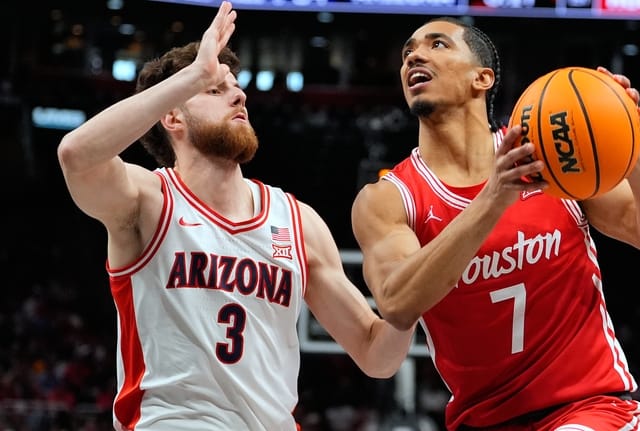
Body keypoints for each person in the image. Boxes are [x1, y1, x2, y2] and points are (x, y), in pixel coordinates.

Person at [56, 2, 415, 430]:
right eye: (214, 89)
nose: (239, 94)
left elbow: (377, 356)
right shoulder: (147, 200)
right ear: (171, 115)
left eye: (234, 85)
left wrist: (411, 296)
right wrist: (193, 74)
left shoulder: (297, 221)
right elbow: (76, 156)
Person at [350, 16, 640, 431]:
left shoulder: (551, 154)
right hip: (484, 420)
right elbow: (397, 303)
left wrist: (624, 138)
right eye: (407, 53)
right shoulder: (388, 199)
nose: (414, 56)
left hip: (589, 409)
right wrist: (493, 199)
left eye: (437, 44)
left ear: (483, 78)